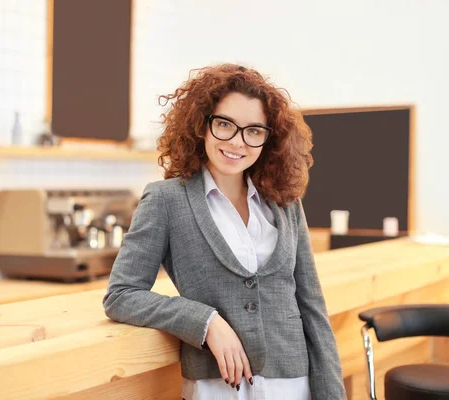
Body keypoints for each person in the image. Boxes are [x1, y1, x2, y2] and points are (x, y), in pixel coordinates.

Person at [102, 64, 346, 400]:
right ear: (201, 126)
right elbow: (121, 294)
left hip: (293, 385)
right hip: (215, 388)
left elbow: (311, 306)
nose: (237, 142)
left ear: (267, 138)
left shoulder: (285, 203)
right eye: (225, 125)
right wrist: (204, 321)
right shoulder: (167, 200)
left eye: (254, 131)